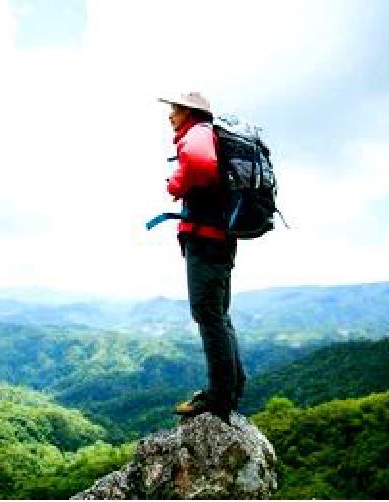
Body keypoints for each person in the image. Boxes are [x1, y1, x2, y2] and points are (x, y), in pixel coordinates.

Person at [158, 92, 246, 423]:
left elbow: (198, 164)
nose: (170, 115)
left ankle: (219, 398)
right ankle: (232, 388)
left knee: (208, 315)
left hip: (206, 241)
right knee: (219, 315)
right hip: (221, 240)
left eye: (175, 109)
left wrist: (175, 184)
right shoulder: (210, 136)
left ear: (190, 112)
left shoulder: (198, 134)